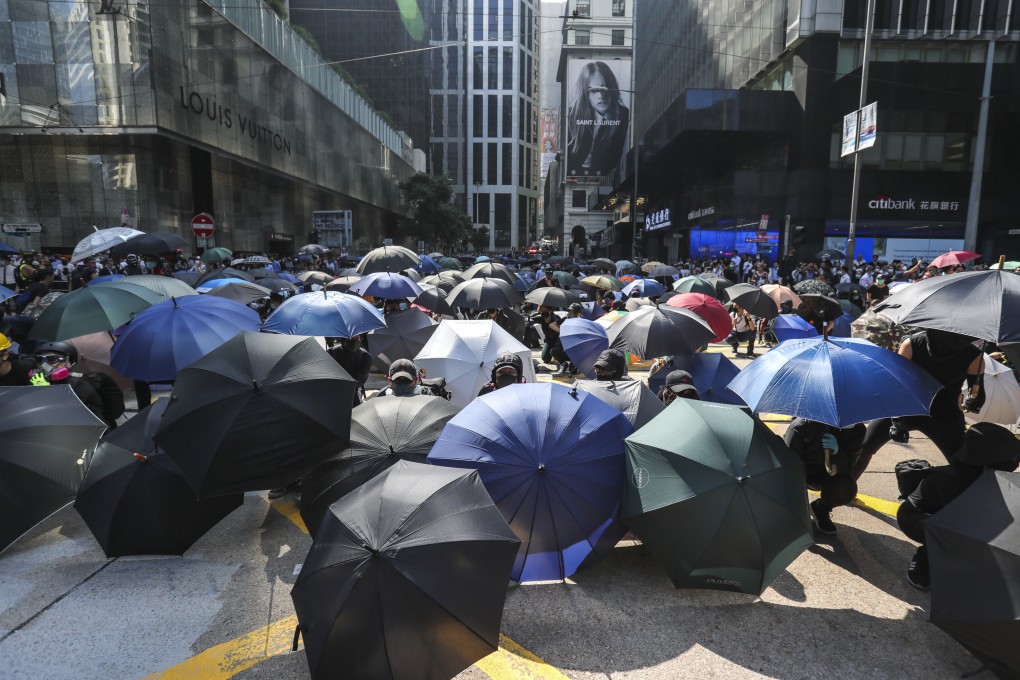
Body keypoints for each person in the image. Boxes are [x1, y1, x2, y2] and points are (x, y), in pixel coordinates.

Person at [896, 422, 1020, 589]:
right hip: (915, 519)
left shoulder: (983, 476)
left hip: (949, 519)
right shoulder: (950, 480)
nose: (1015, 462)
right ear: (987, 460)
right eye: (1011, 457)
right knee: (960, 532)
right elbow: (959, 524)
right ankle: (924, 560)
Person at [852, 329, 984, 479]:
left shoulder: (974, 356)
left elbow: (979, 393)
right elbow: (896, 385)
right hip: (904, 407)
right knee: (863, 448)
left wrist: (975, 400)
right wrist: (897, 420)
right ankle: (843, 488)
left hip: (944, 414)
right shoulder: (912, 344)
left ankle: (969, 492)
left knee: (964, 464)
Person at [784, 419, 865, 535]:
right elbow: (788, 467)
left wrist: (837, 452)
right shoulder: (801, 426)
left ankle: (820, 508)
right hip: (800, 470)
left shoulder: (857, 429)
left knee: (846, 489)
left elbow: (848, 467)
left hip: (827, 474)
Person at [566, 61, 630, 178]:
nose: (601, 95)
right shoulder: (572, 114)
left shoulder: (623, 114)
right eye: (594, 90)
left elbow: (618, 153)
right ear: (586, 93)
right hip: (572, 176)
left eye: (605, 88)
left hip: (605, 177)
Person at [29, 342, 116, 427]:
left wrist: (47, 393)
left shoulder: (80, 385)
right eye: (40, 360)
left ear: (68, 363)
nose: (44, 365)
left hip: (94, 431)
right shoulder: (41, 383)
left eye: (52, 359)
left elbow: (65, 416)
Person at [327, 335, 372, 405]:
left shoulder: (365, 356)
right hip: (334, 395)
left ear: (360, 338)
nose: (354, 340)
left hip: (353, 396)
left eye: (357, 337)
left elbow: (360, 379)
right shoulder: (332, 352)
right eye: (351, 337)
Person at [537, 305, 569, 374]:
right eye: (542, 311)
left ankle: (561, 361)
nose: (543, 312)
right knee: (545, 358)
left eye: (545, 310)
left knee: (555, 351)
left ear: (550, 310)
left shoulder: (556, 318)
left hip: (556, 340)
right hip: (548, 340)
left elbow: (560, 327)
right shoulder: (541, 318)